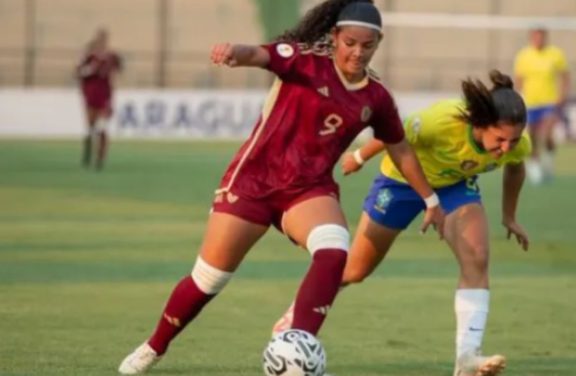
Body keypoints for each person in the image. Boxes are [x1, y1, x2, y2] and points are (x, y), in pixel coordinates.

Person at [117, 1, 445, 374]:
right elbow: (258, 54)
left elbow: (399, 147)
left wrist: (430, 198)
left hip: (309, 189)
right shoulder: (303, 61)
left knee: (334, 249)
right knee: (208, 280)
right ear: (334, 37)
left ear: (378, 43)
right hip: (254, 181)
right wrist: (233, 53)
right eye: (350, 42)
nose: (357, 52)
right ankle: (154, 347)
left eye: (367, 45)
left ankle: (296, 348)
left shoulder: (377, 98)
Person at [273, 70, 531, 376]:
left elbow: (515, 169)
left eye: (513, 140)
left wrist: (509, 216)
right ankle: (294, 319)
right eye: (500, 139)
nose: (506, 147)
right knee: (355, 270)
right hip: (400, 184)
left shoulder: (518, 145)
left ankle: (467, 357)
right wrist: (359, 156)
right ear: (480, 123)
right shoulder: (441, 122)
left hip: (453, 187)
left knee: (477, 256)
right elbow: (394, 133)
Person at [514, 28, 569, 184]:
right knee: (531, 136)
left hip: (549, 101)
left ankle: (549, 162)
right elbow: (519, 79)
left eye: (541, 37)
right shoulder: (524, 56)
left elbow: (565, 76)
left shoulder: (555, 54)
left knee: (546, 133)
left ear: (545, 38)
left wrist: (562, 95)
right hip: (530, 102)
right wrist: (518, 97)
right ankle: (534, 165)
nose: (538, 40)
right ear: (531, 38)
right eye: (535, 38)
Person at [76, 28, 122, 170]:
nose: (102, 43)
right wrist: (90, 69)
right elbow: (79, 72)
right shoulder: (89, 57)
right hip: (91, 95)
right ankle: (88, 151)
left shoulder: (110, 57)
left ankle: (100, 158)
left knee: (102, 126)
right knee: (91, 127)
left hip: (105, 96)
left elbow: (119, 68)